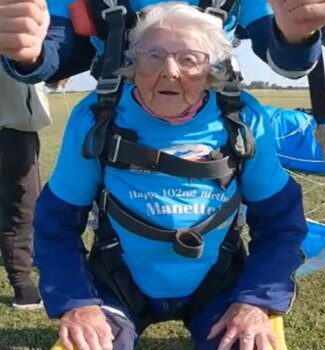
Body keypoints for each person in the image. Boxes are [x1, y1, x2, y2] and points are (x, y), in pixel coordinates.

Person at [34, 4, 307, 349]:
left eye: (190, 59)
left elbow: (282, 223)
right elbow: (55, 222)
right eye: (153, 56)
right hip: (116, 286)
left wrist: (255, 300)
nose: (169, 71)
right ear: (132, 64)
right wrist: (78, 304)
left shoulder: (242, 119)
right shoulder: (97, 116)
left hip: (218, 284)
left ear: (211, 71)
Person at [0, 0, 325, 84]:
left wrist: (297, 34)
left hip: (217, 131)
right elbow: (53, 49)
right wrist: (25, 52)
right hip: (115, 127)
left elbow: (287, 61)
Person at [0, 64, 50, 309]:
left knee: (26, 206)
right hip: (10, 131)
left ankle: (27, 264)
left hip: (22, 131)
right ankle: (23, 288)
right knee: (20, 210)